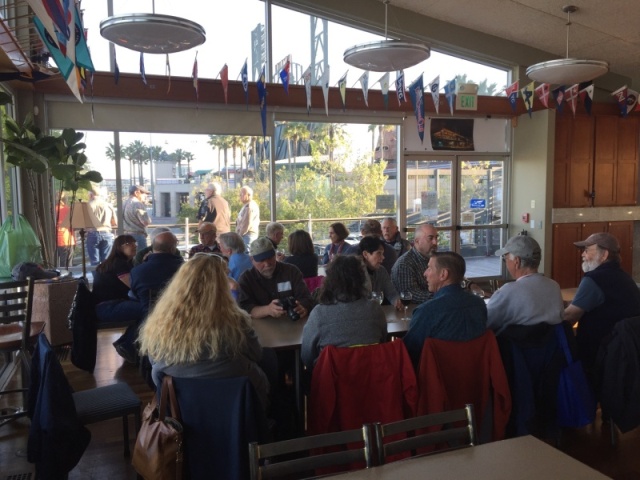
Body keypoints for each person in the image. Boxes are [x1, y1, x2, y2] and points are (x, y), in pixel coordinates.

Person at [138, 253, 269, 409]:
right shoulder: (235, 321)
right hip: (236, 407)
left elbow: (154, 360)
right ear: (222, 285)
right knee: (269, 361)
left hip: (180, 410)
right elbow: (255, 354)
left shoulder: (160, 322)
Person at [564, 232, 640, 380]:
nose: (583, 255)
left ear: (604, 255)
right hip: (626, 355)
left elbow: (569, 317)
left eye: (587, 250)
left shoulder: (594, 279)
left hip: (599, 357)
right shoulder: (625, 277)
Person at [301, 255, 387, 369]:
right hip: (371, 379)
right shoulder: (375, 310)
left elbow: (307, 357)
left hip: (331, 381)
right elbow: (382, 342)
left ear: (330, 280)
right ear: (362, 279)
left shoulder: (319, 314)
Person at [403, 252, 487, 365]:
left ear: (443, 274)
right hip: (477, 375)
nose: (425, 273)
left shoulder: (427, 311)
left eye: (429, 268)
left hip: (436, 378)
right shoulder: (479, 305)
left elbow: (408, 352)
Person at [486, 235, 563, 335]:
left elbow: (484, 323)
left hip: (515, 350)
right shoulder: (554, 286)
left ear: (516, 262)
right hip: (551, 349)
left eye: (505, 259)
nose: (506, 263)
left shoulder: (508, 291)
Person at [92, 234, 145, 363]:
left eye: (134, 243)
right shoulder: (119, 264)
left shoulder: (121, 263)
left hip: (106, 306)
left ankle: (127, 343)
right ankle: (127, 344)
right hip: (108, 307)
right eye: (128, 244)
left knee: (148, 309)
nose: (133, 246)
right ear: (118, 248)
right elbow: (133, 286)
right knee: (150, 309)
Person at [238, 237, 313, 319]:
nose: (267, 264)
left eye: (270, 257)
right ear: (252, 259)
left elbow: (306, 298)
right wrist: (267, 310)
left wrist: (303, 308)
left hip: (292, 324)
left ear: (275, 254)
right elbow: (245, 308)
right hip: (261, 327)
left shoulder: (291, 271)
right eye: (261, 260)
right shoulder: (246, 279)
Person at [129, 231, 184, 317]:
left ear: (153, 247)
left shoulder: (136, 271)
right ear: (172, 248)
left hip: (148, 319)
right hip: (180, 317)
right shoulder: (184, 269)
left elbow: (135, 293)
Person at [391, 223, 438, 304]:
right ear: (417, 241)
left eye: (436, 238)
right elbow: (411, 295)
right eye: (430, 238)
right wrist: (443, 296)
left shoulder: (436, 258)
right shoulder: (404, 264)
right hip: (412, 312)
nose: (435, 242)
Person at [359, 236, 402, 309]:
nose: (383, 257)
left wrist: (397, 301)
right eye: (379, 253)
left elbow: (391, 293)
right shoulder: (355, 273)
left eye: (382, 254)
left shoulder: (381, 270)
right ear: (365, 254)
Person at [86, 186, 117, 266]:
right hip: (107, 233)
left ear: (91, 194)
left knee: (94, 261)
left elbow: (84, 222)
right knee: (107, 261)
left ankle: (97, 278)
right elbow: (115, 222)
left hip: (92, 233)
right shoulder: (108, 205)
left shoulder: (87, 205)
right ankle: (105, 278)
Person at [122, 185, 151, 250]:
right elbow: (145, 222)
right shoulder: (137, 203)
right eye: (144, 194)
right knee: (141, 257)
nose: (146, 196)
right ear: (137, 193)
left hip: (126, 235)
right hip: (137, 236)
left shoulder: (124, 203)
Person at [55, 193, 75, 268]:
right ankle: (68, 279)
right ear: (65, 199)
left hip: (56, 239)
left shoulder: (53, 209)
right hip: (66, 239)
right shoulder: (67, 209)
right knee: (67, 265)